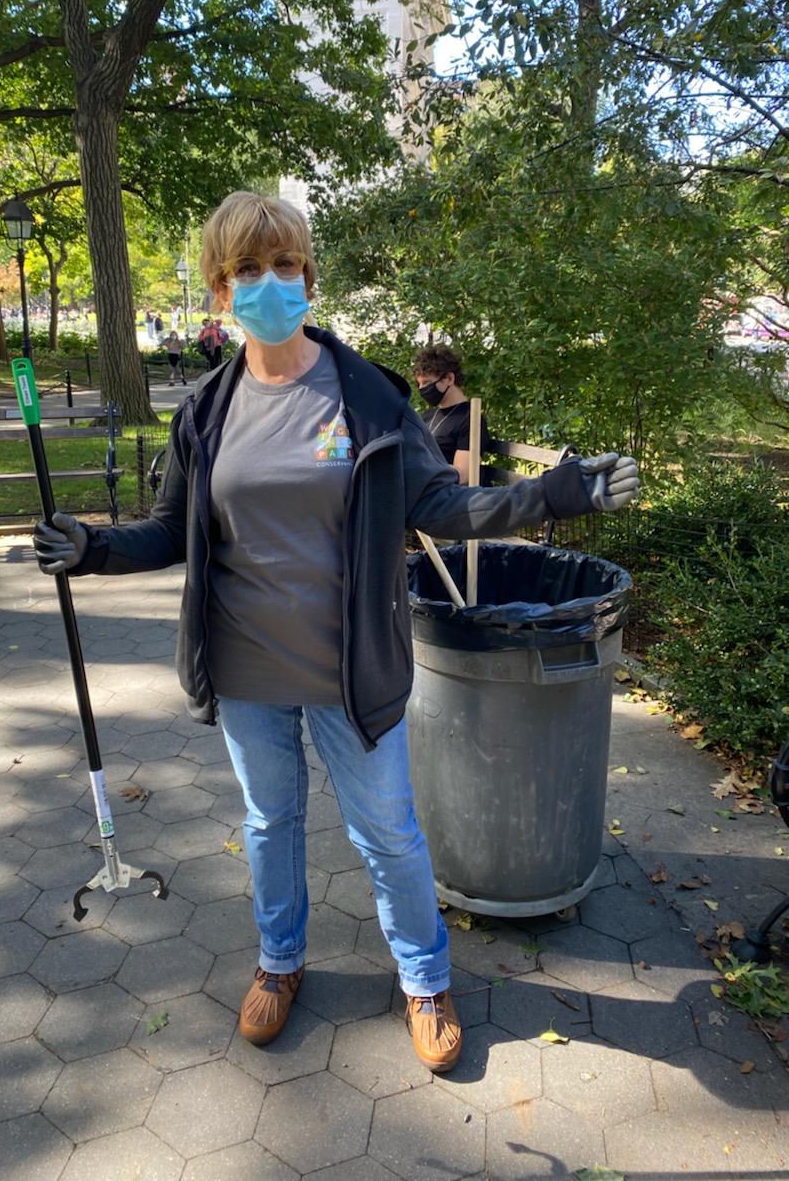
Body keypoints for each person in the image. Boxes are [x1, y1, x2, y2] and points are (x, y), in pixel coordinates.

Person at [32, 191, 639, 1074]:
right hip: (245, 672)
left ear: (308, 277)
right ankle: (280, 961)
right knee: (271, 825)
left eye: (284, 266)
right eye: (247, 270)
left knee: (388, 832)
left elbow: (443, 504)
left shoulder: (365, 394)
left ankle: (425, 978)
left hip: (353, 672)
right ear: (219, 289)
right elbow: (171, 532)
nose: (268, 284)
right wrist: (89, 548)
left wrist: (554, 494)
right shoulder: (205, 410)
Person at [413, 344, 491, 485]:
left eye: (427, 382)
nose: (422, 389)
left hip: (452, 498)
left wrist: (418, 471)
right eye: (419, 384)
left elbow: (463, 475)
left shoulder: (471, 420)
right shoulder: (428, 416)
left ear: (449, 378)